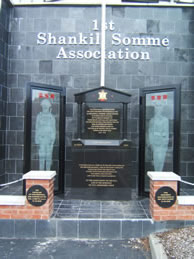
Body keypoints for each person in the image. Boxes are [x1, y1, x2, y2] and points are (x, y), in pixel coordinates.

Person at [35, 99, 56, 170]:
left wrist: (53, 141)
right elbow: (37, 128)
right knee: (41, 157)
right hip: (42, 139)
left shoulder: (51, 117)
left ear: (49, 107)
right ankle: (41, 173)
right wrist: (37, 140)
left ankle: (48, 173)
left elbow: (54, 129)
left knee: (48, 158)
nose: (45, 107)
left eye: (46, 106)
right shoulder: (39, 116)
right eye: (44, 106)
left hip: (49, 140)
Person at [148, 104, 169, 171]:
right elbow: (150, 132)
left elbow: (166, 132)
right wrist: (151, 143)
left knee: (161, 159)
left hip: (162, 143)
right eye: (157, 109)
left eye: (160, 109)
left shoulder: (165, 120)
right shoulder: (152, 120)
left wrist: (165, 142)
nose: (158, 110)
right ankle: (157, 172)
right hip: (155, 143)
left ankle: (160, 172)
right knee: (156, 159)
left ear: (162, 110)